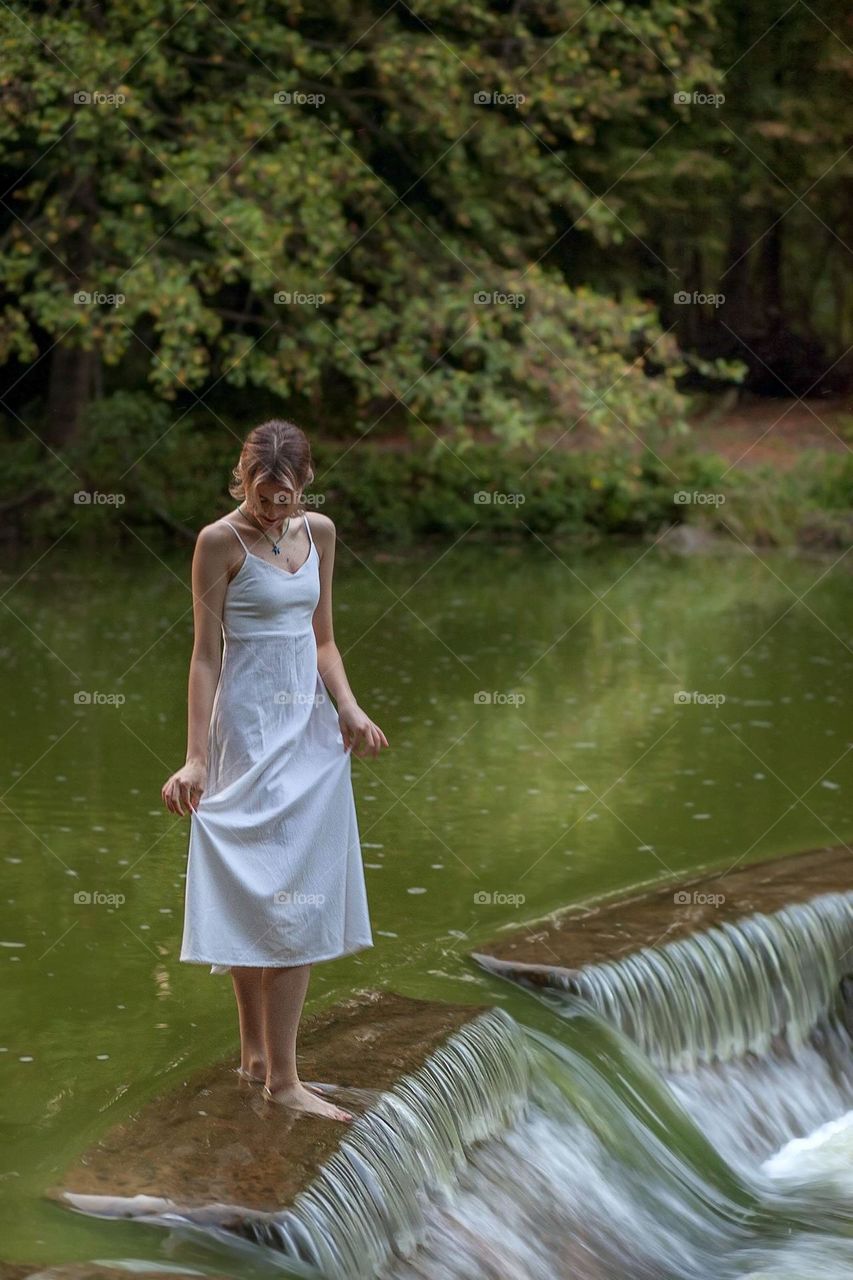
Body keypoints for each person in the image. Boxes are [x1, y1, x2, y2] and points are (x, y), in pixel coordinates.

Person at [161, 419, 388, 1121]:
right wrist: (196, 756)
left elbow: (322, 640)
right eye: (263, 496)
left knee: (296, 888)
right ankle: (273, 1073)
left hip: (310, 735)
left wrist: (348, 709)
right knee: (257, 887)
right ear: (244, 480)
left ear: (304, 483)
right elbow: (204, 656)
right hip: (248, 729)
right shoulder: (218, 543)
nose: (274, 508)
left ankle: (265, 1063)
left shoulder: (317, 534)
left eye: (285, 496)